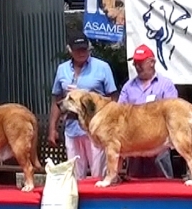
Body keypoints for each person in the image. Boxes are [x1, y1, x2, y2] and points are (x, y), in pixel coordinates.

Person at [48, 32, 118, 180]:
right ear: (70, 50)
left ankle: (100, 202)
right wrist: (52, 129)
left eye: (84, 49)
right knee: (75, 175)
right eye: (78, 50)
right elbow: (57, 99)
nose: (82, 53)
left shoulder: (102, 67)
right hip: (72, 128)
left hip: (97, 129)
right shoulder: (62, 70)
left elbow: (113, 99)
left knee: (98, 174)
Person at [118, 44, 179, 179]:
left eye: (141, 62)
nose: (137, 66)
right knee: (135, 187)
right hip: (134, 147)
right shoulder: (128, 87)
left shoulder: (165, 85)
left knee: (164, 187)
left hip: (159, 145)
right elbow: (118, 114)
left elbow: (173, 114)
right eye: (135, 63)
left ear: (152, 62)